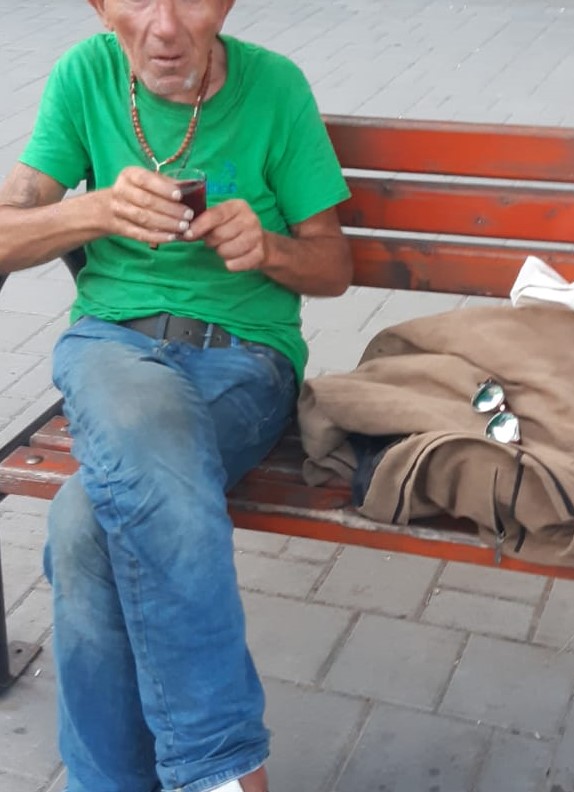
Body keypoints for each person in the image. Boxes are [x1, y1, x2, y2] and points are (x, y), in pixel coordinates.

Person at [0, 0, 352, 790]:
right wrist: (93, 209)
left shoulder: (275, 88)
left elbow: (333, 267)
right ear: (98, 6)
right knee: (139, 421)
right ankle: (220, 770)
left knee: (84, 522)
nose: (163, 26)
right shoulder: (84, 77)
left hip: (243, 364)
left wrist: (267, 248)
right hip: (113, 348)